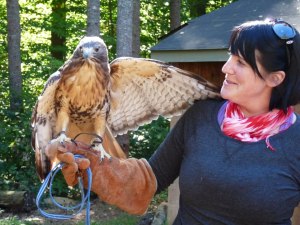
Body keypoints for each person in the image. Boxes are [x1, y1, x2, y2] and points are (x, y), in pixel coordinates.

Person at [45, 18, 300, 225]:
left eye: (240, 62)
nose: (226, 68)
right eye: (230, 56)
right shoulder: (202, 117)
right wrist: (98, 167)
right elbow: (150, 179)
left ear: (275, 79)